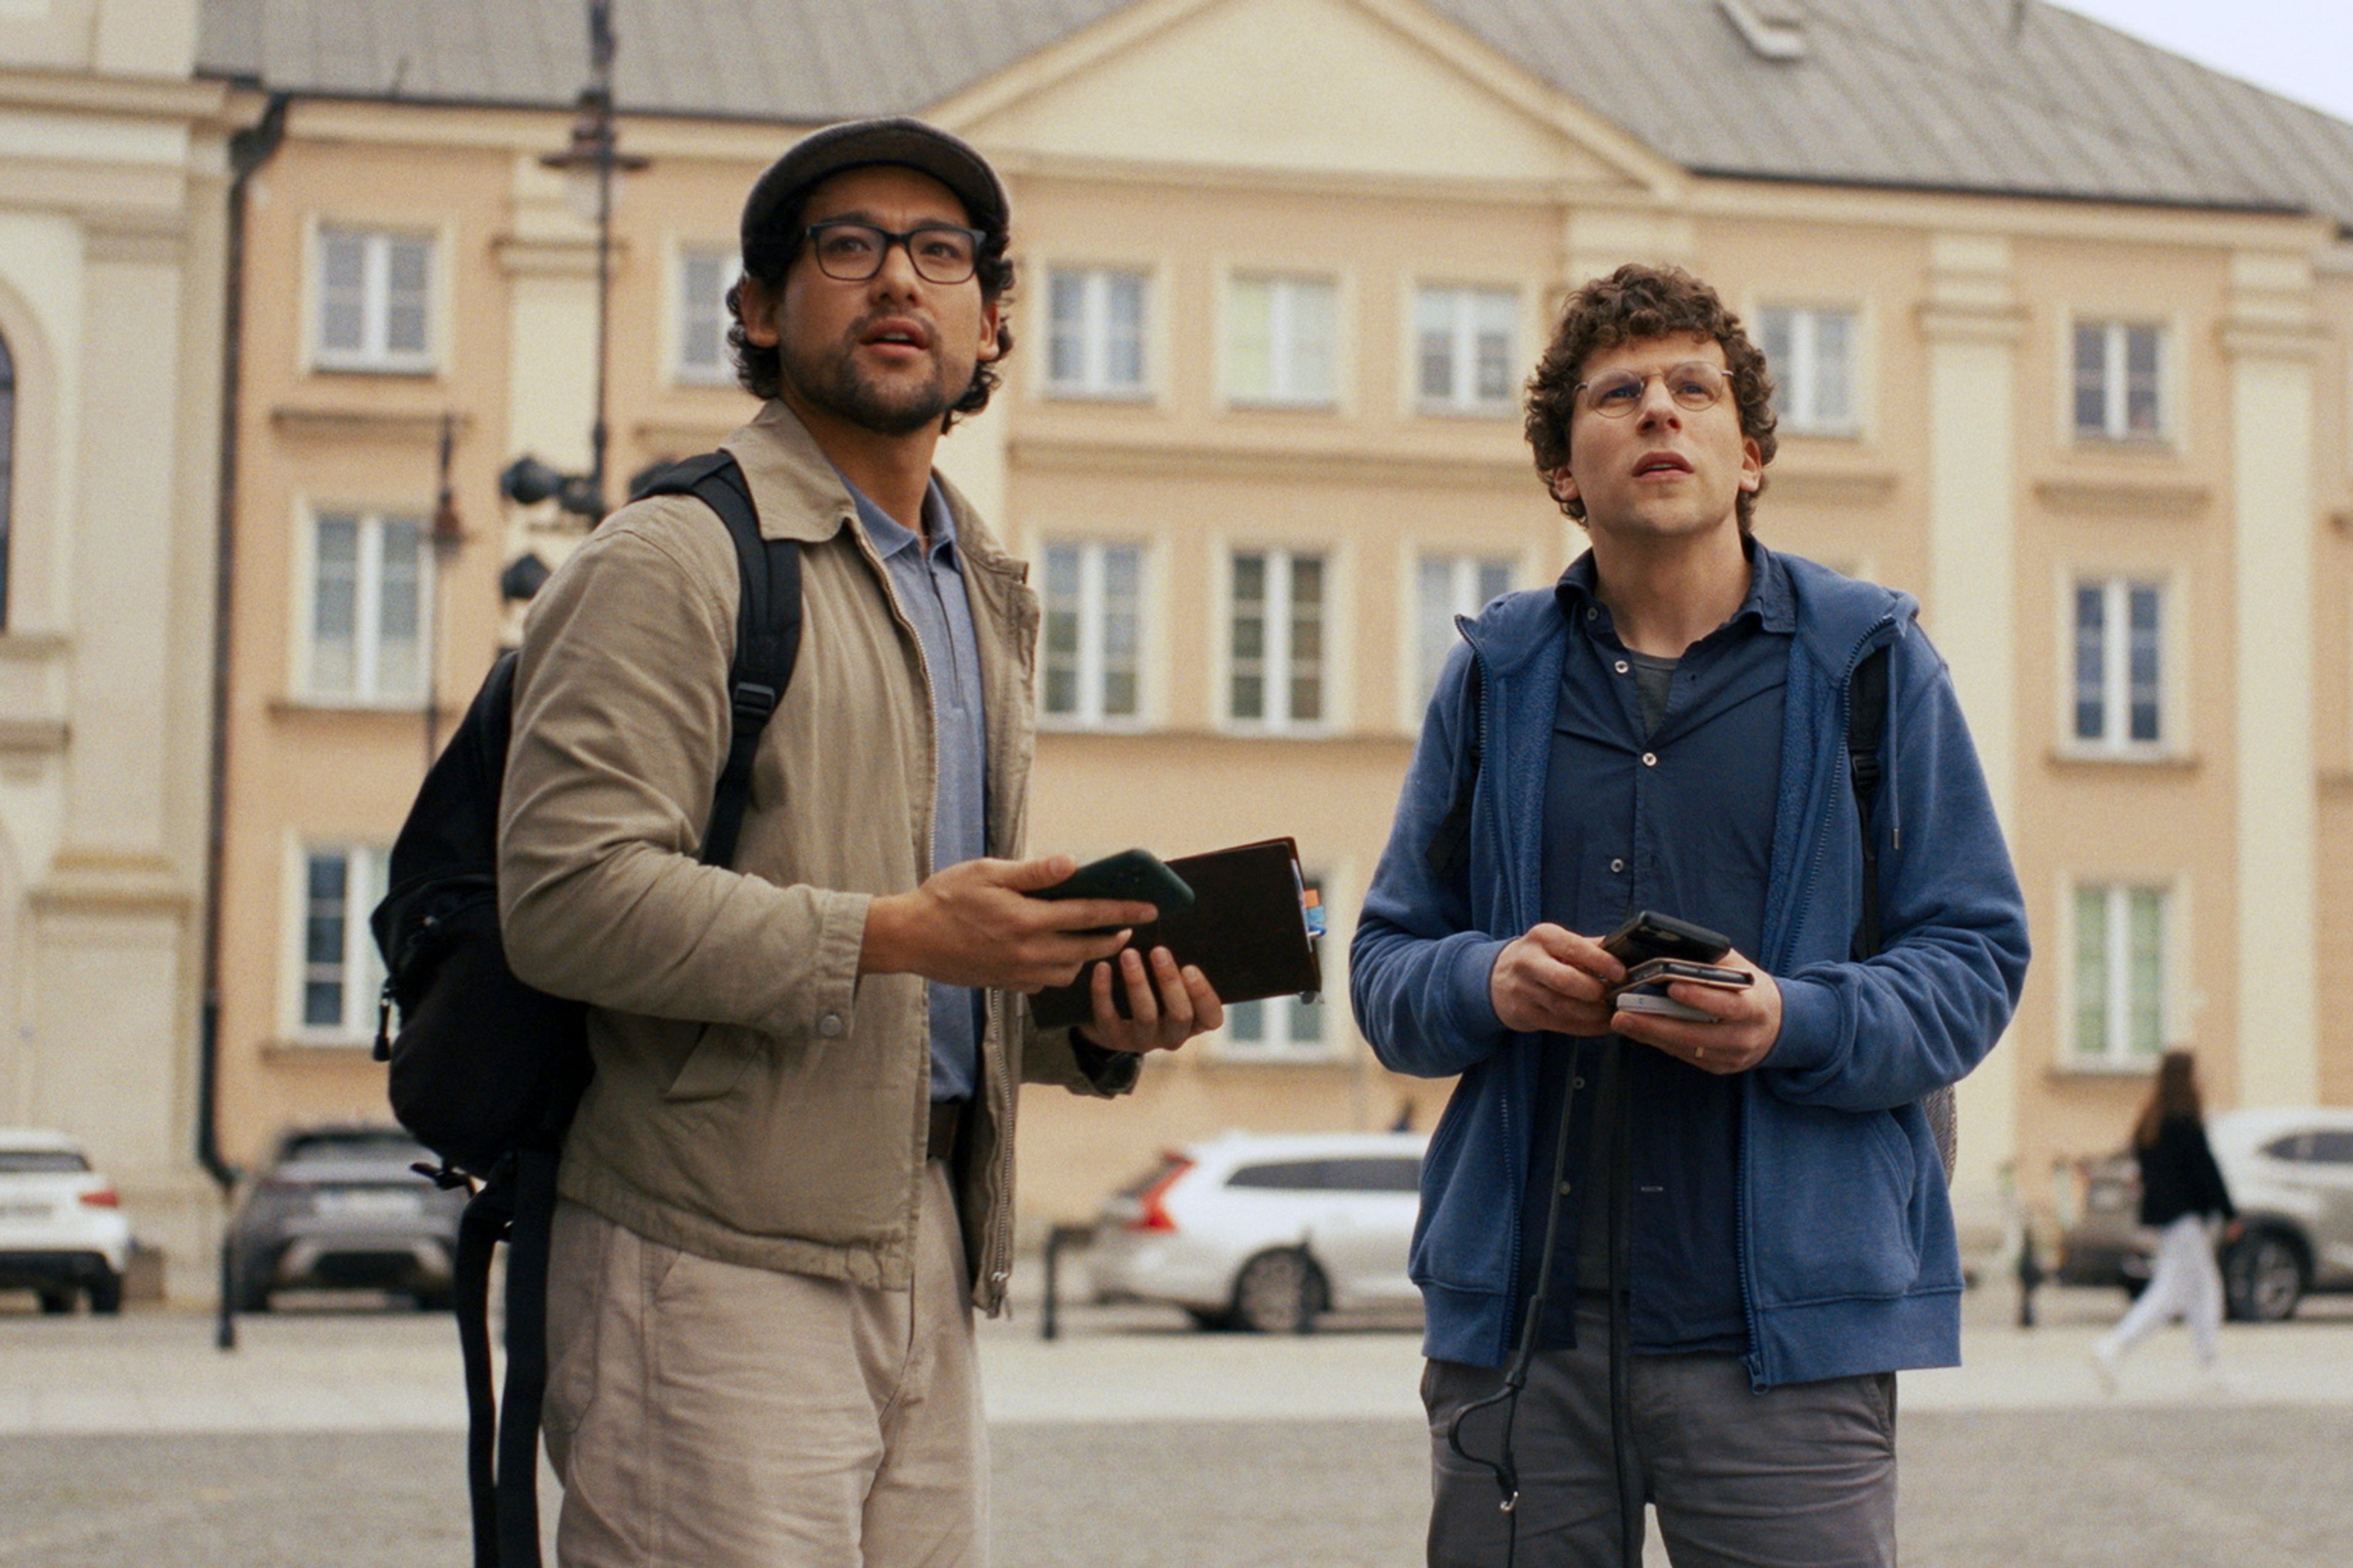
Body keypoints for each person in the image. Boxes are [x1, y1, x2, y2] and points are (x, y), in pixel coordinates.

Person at [497, 116, 1222, 1568]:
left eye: (939, 253)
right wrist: (899, 931)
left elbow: (923, 985)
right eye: (848, 247)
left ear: (992, 317)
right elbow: (566, 900)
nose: (899, 277)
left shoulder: (979, 588)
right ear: (761, 310)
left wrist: (1087, 1014)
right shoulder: (670, 559)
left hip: (929, 1246)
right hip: (707, 1254)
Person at [1351, 264, 2030, 1567]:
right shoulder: (1494, 674)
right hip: (1525, 1337)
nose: (1658, 412)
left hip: (1782, 1339)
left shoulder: (1873, 662)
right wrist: (1488, 979)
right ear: (1563, 470)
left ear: (1751, 453)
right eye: (1618, 395)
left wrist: (1793, 1018)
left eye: (1692, 390)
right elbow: (1386, 968)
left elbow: (1976, 956)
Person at [2092, 1050, 2238, 1390]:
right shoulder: (2185, 1119)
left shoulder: (2152, 1118)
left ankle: (2209, 1362)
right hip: (2185, 1219)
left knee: (2203, 1289)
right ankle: (2113, 1347)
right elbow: (2206, 1170)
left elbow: (2144, 1169)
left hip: (2169, 1219)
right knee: (2171, 1293)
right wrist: (2229, 1213)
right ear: (2186, 1077)